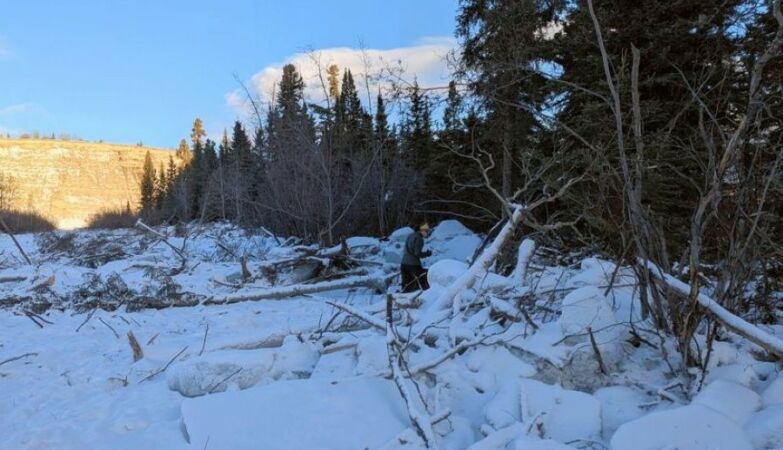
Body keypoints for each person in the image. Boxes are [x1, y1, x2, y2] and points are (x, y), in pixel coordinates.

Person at [401, 223, 432, 292]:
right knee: (423, 281)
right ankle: (427, 296)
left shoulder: (410, 236)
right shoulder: (419, 238)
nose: (427, 233)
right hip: (413, 264)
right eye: (426, 231)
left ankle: (402, 298)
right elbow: (417, 253)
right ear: (422, 231)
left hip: (403, 263)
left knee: (407, 285)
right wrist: (427, 254)